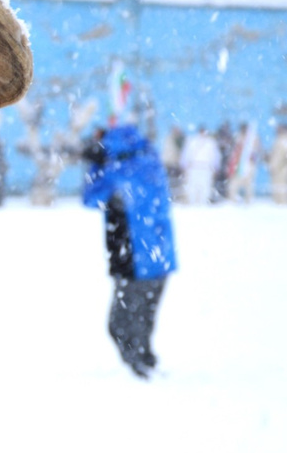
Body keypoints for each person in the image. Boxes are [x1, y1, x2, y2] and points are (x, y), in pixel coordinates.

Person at [82, 124, 178, 379]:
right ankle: (146, 362)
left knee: (119, 325)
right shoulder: (148, 159)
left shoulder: (117, 169)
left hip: (133, 260)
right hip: (158, 257)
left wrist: (97, 165)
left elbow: (90, 197)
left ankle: (140, 368)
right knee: (142, 321)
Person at [180, 126, 220, 205]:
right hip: (194, 167)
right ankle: (192, 203)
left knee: (205, 187)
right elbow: (186, 154)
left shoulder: (210, 142)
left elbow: (216, 155)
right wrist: (184, 165)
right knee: (192, 187)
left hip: (206, 168)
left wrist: (216, 166)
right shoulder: (192, 141)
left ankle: (203, 203)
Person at [270, 125, 287, 205]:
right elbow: (274, 155)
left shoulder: (284, 140)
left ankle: (282, 203)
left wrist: (281, 166)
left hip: (282, 168)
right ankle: (278, 203)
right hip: (276, 168)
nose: (277, 130)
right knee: (276, 186)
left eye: (280, 129)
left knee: (281, 187)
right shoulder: (278, 139)